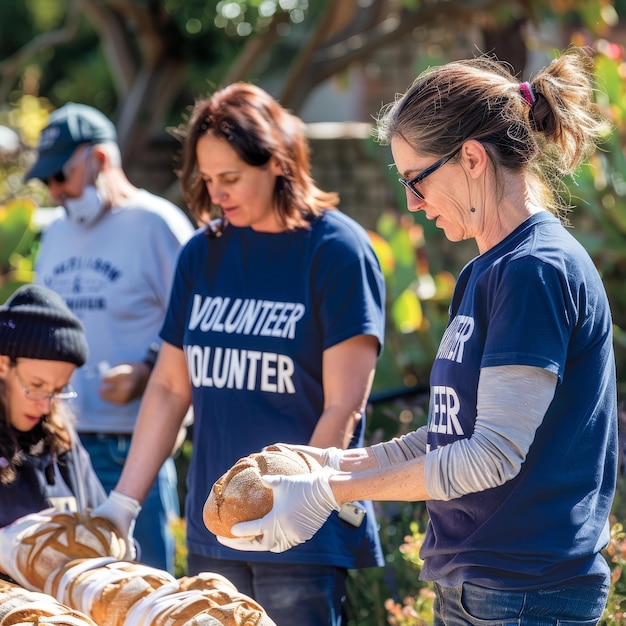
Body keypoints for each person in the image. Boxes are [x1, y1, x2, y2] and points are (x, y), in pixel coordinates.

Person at [213, 48, 619, 626]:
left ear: (472, 158)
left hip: (526, 593)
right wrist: (335, 463)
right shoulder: (487, 269)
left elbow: (492, 455)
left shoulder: (535, 269)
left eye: (417, 179)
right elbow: (453, 433)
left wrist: (335, 492)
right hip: (483, 587)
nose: (412, 202)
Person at [92, 81, 386, 625]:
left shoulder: (338, 252)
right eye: (207, 179)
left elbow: (344, 406)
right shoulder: (202, 254)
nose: (217, 193)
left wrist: (306, 500)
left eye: (231, 178)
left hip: (302, 536)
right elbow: (169, 387)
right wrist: (124, 503)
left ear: (277, 162)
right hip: (215, 535)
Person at [25, 103, 195, 574]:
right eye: (47, 181)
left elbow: (195, 324)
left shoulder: (158, 225)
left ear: (99, 159)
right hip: (57, 442)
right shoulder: (56, 233)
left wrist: (145, 369)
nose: (55, 191)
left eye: (60, 175)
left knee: (145, 589)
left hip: (131, 446)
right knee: (68, 591)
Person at [0, 283, 105, 532]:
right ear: (3, 364)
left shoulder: (63, 439)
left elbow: (99, 522)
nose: (46, 405)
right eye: (36, 386)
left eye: (58, 391)